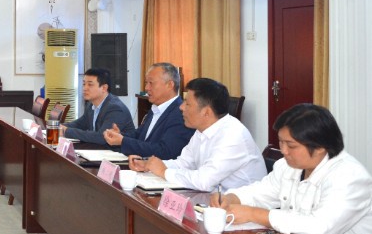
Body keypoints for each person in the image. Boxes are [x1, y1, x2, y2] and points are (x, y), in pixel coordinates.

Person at [214, 104, 372, 234]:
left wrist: (254, 214)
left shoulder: (350, 176)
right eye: (281, 142)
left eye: (291, 145)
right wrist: (232, 198)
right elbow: (261, 192)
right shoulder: (289, 166)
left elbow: (319, 228)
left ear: (320, 147)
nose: (284, 151)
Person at [129, 78, 266, 191]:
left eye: (187, 104)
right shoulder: (202, 130)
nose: (181, 107)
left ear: (206, 112)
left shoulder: (233, 136)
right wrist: (149, 165)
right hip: (213, 200)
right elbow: (183, 163)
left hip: (242, 208)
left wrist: (164, 172)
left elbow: (204, 181)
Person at [103, 62, 194, 159]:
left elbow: (165, 151)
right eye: (146, 83)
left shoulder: (181, 114)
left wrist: (123, 141)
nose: (146, 88)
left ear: (170, 85)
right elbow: (139, 136)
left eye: (151, 83)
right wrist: (118, 136)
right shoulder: (155, 109)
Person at [62, 68, 135, 145]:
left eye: (90, 84)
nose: (84, 88)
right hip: (99, 149)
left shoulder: (116, 109)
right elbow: (79, 124)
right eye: (84, 84)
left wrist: (66, 131)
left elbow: (102, 137)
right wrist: (58, 127)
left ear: (104, 88)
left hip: (118, 151)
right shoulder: (91, 105)